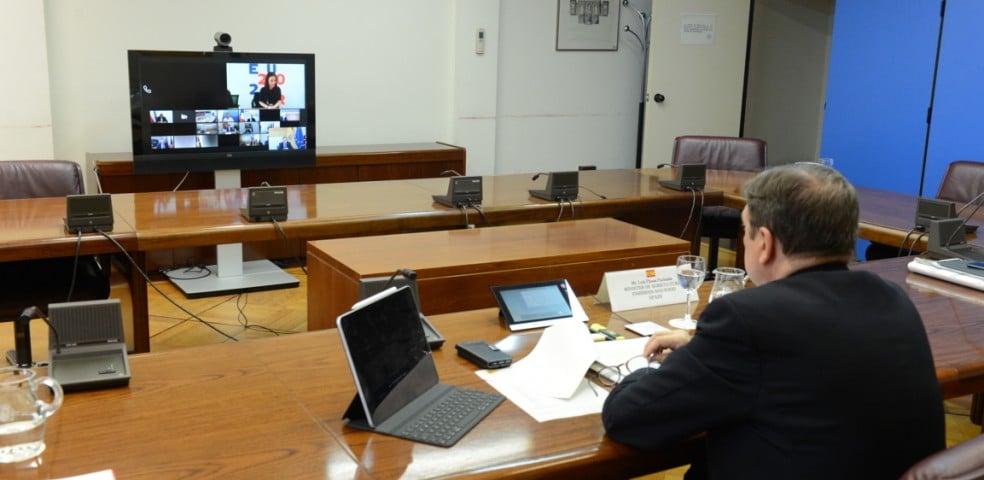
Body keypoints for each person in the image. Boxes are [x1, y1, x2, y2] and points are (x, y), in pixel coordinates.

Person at [602, 163, 945, 479]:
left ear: (765, 243)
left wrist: (653, 369)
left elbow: (629, 419)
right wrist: (702, 352)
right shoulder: (892, 298)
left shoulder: (746, 318)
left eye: (745, 231)